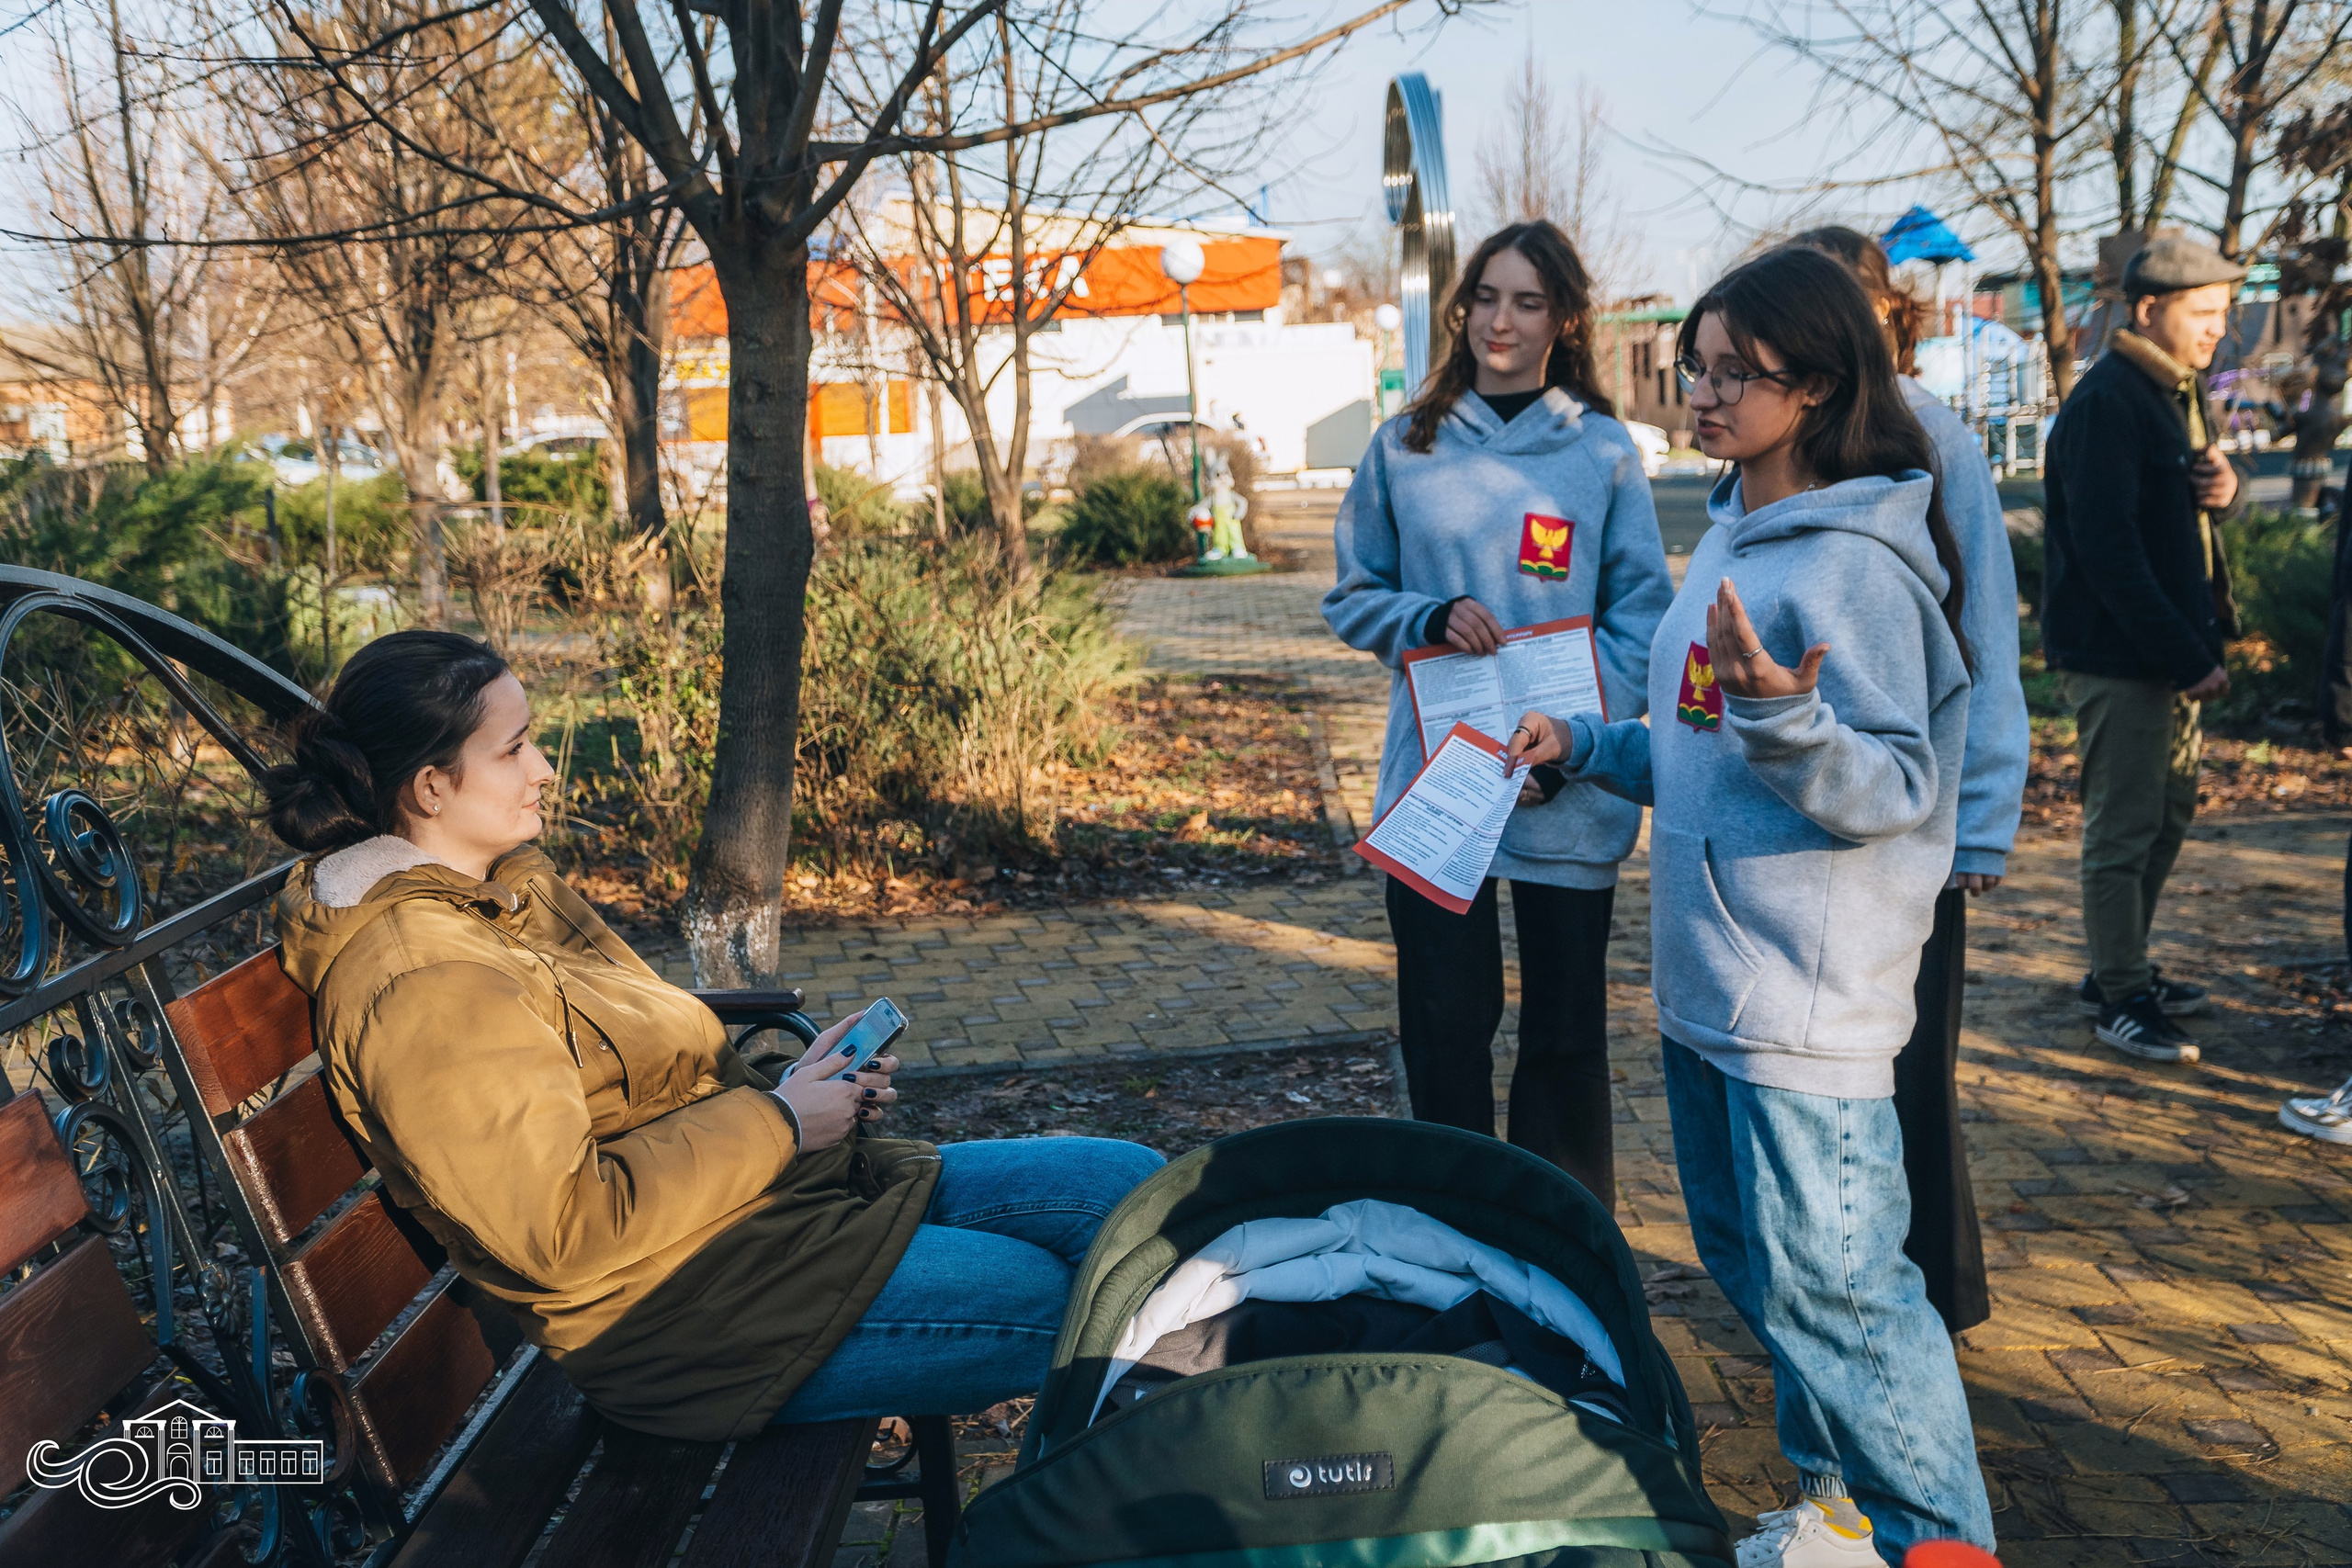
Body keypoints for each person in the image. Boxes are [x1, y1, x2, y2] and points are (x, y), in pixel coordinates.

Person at [261, 630, 1161, 1440]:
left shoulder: (500, 895)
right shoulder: (422, 978)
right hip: (682, 1318)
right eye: (514, 749)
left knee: (1126, 1185)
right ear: (429, 786)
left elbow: (638, 1074)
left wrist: (795, 1090)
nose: (542, 769)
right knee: (1093, 1312)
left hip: (757, 1226)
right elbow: (556, 1231)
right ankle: (1195, 1495)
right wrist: (779, 1125)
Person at [1506, 246, 1994, 1566]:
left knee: (1846, 1295)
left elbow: (1892, 782)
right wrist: (1590, 746)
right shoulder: (1728, 529)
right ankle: (1839, 1518)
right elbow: (1698, 743)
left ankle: (1945, 1541)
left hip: (1805, 1000)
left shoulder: (1859, 569)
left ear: (1819, 388)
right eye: (1696, 369)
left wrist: (1786, 713)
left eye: (1735, 374)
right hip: (1711, 989)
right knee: (1765, 1273)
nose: (1704, 396)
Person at [1323, 220, 1673, 1208]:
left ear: (1563, 321)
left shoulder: (1599, 452)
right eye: (1485, 297)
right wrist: (1422, 615)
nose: (1500, 321)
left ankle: (1561, 1257)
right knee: (1443, 1028)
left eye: (1526, 301)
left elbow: (1641, 619)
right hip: (1440, 791)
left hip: (1563, 788)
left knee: (1562, 1039)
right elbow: (1353, 594)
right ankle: (1454, 1240)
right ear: (1460, 307)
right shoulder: (1406, 443)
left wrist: (1572, 743)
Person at [1794, 228, 2029, 1336]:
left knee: (1914, 1068)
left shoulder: (1938, 440)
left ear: (1888, 314)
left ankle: (1939, 1288)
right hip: (1803, 812)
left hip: (1917, 817)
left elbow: (1984, 636)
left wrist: (1980, 822)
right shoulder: (1780, 435)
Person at [2041, 234, 2247, 1064]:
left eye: (2222, 315)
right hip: (2118, 656)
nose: (2216, 331)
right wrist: (2185, 653)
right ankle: (2119, 995)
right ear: (2150, 309)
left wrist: (2224, 494)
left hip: (2160, 652)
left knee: (2165, 817)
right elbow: (2108, 551)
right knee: (2124, 830)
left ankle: (2118, 968)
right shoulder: (2109, 402)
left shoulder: (2175, 392)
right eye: (2203, 314)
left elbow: (2175, 519)